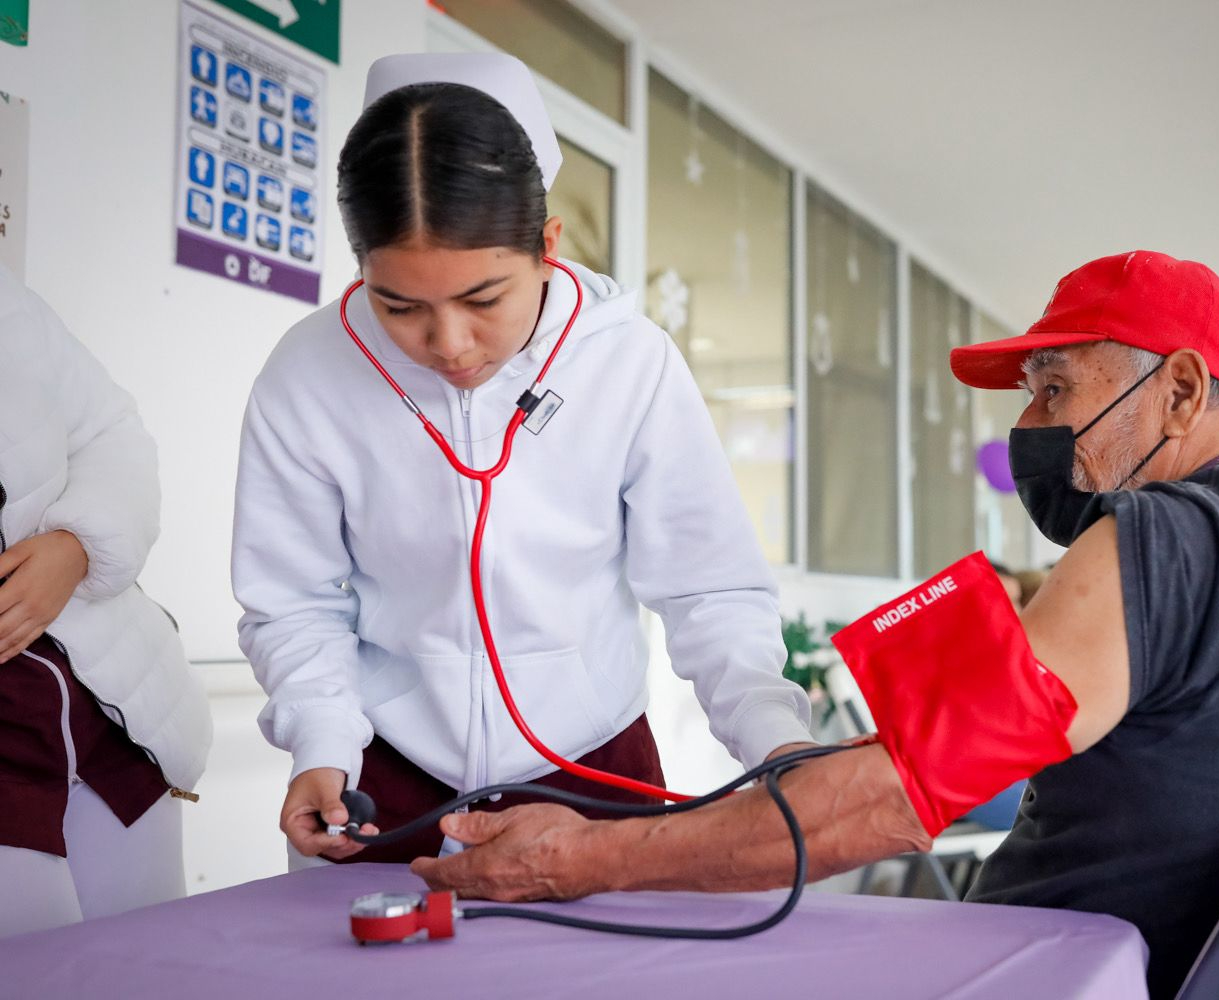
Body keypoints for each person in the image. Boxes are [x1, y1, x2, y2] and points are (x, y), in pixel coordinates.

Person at [406, 251, 1219, 999]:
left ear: (1179, 390)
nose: (1034, 428)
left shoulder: (1167, 537)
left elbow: (890, 801)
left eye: (1058, 389)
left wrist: (582, 858)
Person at [231, 53, 814, 868]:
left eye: (482, 299)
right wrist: (321, 743)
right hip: (381, 781)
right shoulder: (309, 373)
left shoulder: (629, 365)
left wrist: (773, 738)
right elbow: (292, 599)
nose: (449, 344)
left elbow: (707, 587)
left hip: (594, 771)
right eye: (399, 306)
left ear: (547, 244)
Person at [0, 264, 211, 937]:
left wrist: (76, 545)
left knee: (157, 969)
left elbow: (110, 431)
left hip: (107, 712)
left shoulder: (11, 305)